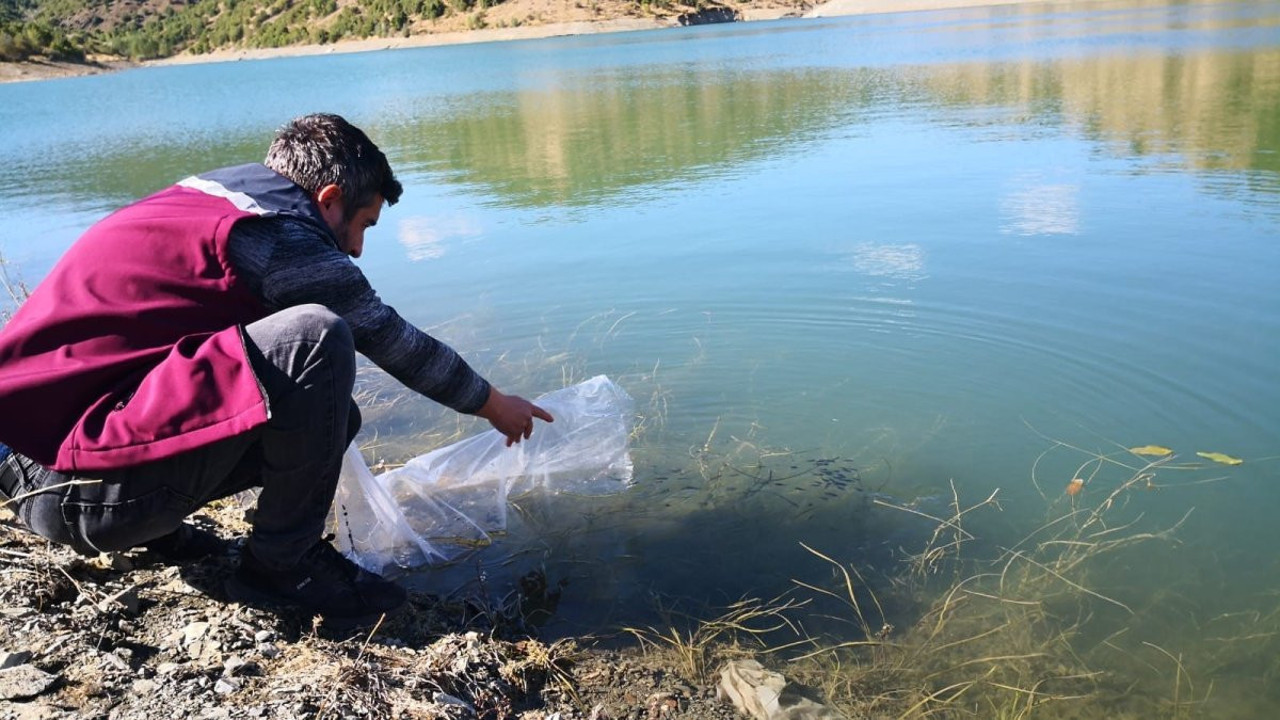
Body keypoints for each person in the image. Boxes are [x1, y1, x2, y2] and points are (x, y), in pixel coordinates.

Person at [0, 113, 553, 627]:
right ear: (328, 199)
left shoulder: (209, 199)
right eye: (362, 224)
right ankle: (283, 565)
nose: (358, 249)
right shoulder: (281, 237)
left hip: (28, 466)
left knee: (335, 411)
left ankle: (159, 531)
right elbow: (389, 338)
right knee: (316, 339)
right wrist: (491, 403)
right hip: (73, 493)